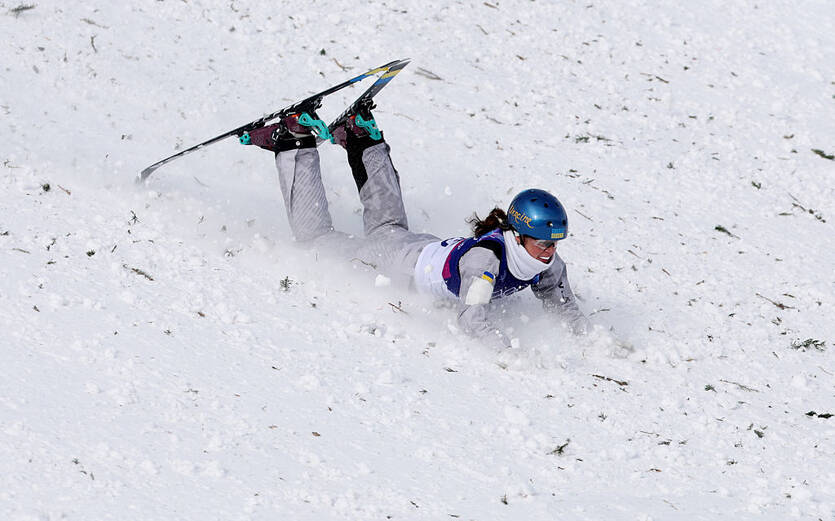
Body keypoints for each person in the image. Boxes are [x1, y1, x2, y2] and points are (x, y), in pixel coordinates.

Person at [243, 105, 590, 348]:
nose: (550, 251)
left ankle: (362, 135)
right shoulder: (485, 264)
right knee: (314, 241)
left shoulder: (546, 263)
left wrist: (586, 335)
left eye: (555, 243)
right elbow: (472, 319)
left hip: (415, 247)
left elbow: (561, 302)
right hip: (395, 265)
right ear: (518, 234)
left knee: (389, 225)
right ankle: (293, 141)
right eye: (544, 243)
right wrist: (509, 355)